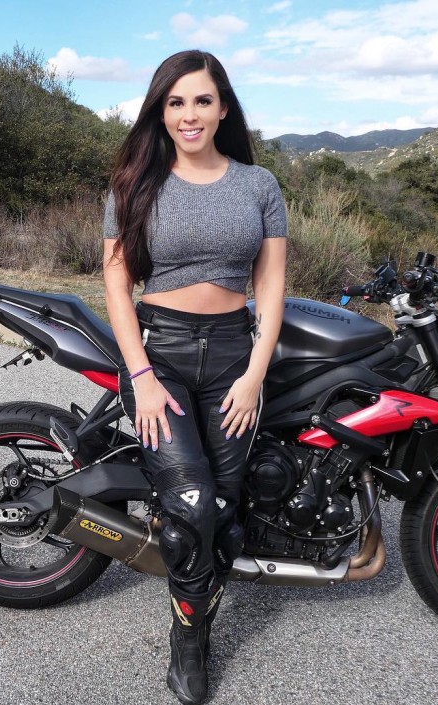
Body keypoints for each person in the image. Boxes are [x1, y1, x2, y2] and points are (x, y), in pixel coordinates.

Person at [102, 50, 287, 704]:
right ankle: (189, 640)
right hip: (160, 354)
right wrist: (142, 376)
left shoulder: (258, 185)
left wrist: (254, 373)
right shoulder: (134, 184)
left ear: (222, 108)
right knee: (190, 507)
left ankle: (198, 615)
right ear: (160, 111)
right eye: (175, 102)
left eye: (202, 100)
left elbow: (271, 284)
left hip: (235, 355)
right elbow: (117, 285)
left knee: (226, 514)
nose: (189, 114)